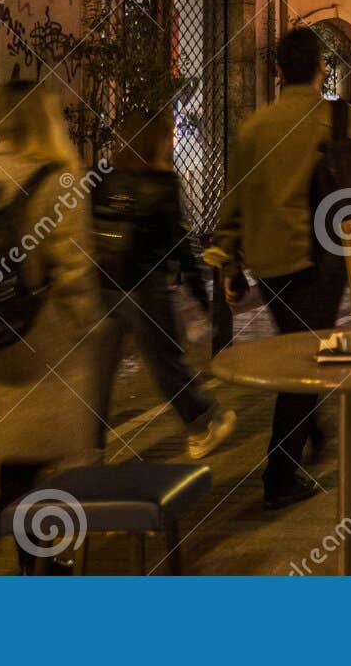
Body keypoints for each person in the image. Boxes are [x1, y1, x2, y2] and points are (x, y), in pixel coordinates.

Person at [206, 27, 351, 510]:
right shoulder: (338, 118)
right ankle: (279, 476)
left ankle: (312, 432)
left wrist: (227, 257)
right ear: (320, 68)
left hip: (267, 261)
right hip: (317, 256)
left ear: (280, 70)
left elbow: (235, 196)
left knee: (300, 350)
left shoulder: (254, 126)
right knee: (306, 360)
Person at [0, 80, 103, 571]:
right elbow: (74, 271)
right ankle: (1, 553)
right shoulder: (58, 181)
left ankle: (29, 560)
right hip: (43, 342)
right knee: (45, 464)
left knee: (17, 462)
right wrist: (87, 328)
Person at [91, 110, 237, 464]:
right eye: (168, 136)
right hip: (147, 288)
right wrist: (200, 295)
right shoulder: (162, 183)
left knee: (98, 376)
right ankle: (203, 422)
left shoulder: (101, 178)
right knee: (166, 363)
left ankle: (88, 451)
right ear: (155, 142)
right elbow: (179, 245)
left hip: (105, 285)